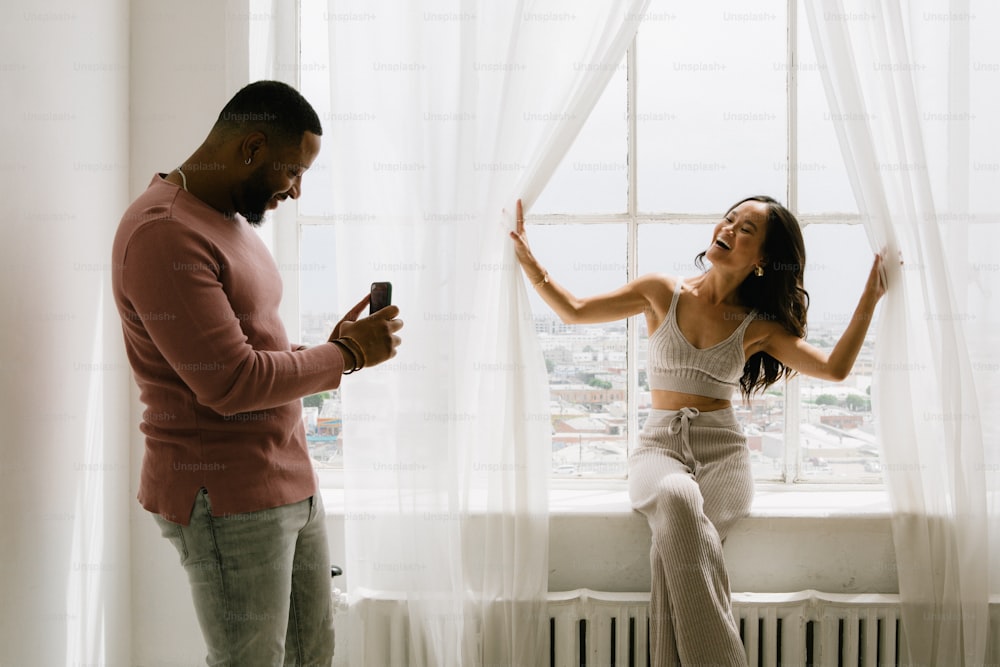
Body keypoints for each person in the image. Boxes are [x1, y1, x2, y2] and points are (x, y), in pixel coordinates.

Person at [510, 196, 886, 666]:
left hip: (723, 456)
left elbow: (834, 370)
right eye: (729, 218)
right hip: (659, 449)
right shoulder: (661, 291)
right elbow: (575, 310)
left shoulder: (759, 326)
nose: (728, 227)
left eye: (746, 228)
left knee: (671, 562)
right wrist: (530, 263)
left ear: (764, 260)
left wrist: (870, 299)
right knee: (676, 498)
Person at [112, 80, 403, 666]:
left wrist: (332, 347)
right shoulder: (164, 231)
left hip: (289, 478)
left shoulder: (229, 221)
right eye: (292, 172)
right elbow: (229, 382)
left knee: (312, 656)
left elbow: (251, 345)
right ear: (250, 148)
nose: (295, 192)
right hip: (227, 496)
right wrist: (345, 357)